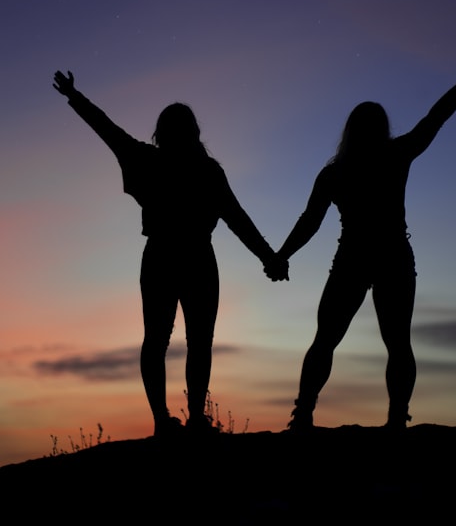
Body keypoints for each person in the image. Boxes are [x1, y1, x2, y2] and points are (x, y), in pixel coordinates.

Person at [52, 70, 288, 436]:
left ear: (161, 132)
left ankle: (166, 420)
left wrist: (74, 96)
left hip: (164, 256)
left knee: (160, 339)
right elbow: (237, 219)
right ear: (194, 132)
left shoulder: (154, 160)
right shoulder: (204, 170)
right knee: (195, 341)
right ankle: (190, 418)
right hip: (193, 258)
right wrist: (268, 257)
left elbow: (106, 128)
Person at [275, 65, 456, 431]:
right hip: (387, 257)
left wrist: (282, 255)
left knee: (328, 339)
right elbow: (433, 120)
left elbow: (309, 221)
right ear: (381, 128)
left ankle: (306, 413)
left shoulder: (336, 171)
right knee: (393, 342)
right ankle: (395, 418)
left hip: (358, 258)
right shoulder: (393, 155)